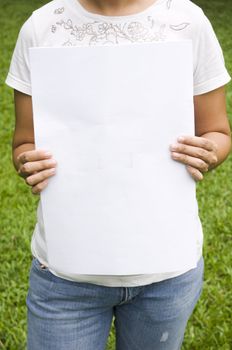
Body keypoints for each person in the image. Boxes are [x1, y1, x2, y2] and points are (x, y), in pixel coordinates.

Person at [5, 0, 231, 349]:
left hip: (166, 273)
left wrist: (208, 151)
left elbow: (218, 132)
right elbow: (24, 142)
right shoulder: (43, 26)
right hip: (67, 275)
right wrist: (27, 162)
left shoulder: (187, 21)